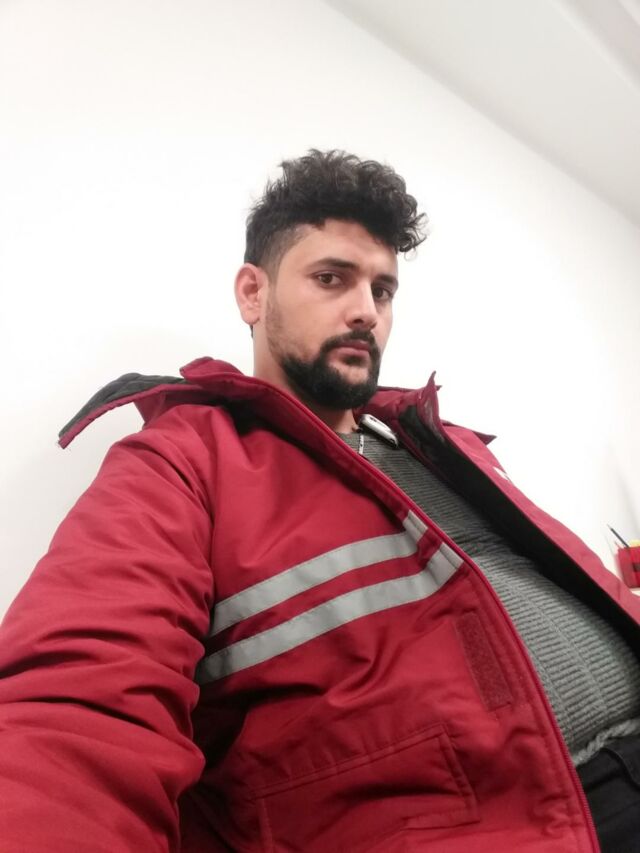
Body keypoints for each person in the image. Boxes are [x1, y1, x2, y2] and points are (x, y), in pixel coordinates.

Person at [0, 149, 639, 853]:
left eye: (383, 290)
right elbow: (78, 709)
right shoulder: (183, 461)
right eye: (332, 278)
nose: (366, 311)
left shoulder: (445, 446)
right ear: (253, 293)